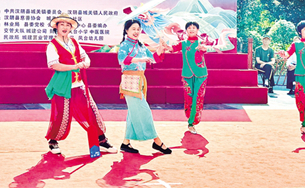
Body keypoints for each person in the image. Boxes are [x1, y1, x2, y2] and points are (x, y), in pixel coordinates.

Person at [45, 13, 116, 158]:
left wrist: (86, 62)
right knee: (61, 115)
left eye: (68, 25)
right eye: (62, 24)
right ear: (56, 27)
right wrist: (75, 66)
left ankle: (101, 140)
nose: (65, 27)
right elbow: (54, 65)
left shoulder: (74, 42)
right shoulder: (52, 45)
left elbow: (84, 56)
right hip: (63, 85)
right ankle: (53, 141)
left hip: (79, 84)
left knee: (90, 112)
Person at [117, 19, 171, 155]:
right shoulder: (124, 45)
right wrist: (140, 59)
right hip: (130, 80)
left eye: (138, 29)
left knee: (133, 112)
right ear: (126, 30)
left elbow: (153, 59)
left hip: (140, 80)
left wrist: (161, 47)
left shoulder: (141, 46)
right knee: (144, 111)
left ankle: (125, 143)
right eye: (133, 29)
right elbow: (122, 59)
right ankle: (157, 141)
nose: (136, 31)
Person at [164, 21, 222, 134]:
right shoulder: (183, 44)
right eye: (189, 28)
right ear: (186, 30)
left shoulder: (202, 43)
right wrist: (165, 46)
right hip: (187, 75)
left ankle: (191, 123)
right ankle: (189, 117)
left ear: (197, 30)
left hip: (201, 75)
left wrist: (204, 48)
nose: (191, 29)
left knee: (197, 98)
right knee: (188, 98)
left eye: (194, 27)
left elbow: (208, 49)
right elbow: (171, 49)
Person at [278, 20, 305, 136]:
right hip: (301, 75)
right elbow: (287, 54)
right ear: (300, 32)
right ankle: (303, 121)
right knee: (301, 100)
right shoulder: (296, 44)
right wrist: (283, 54)